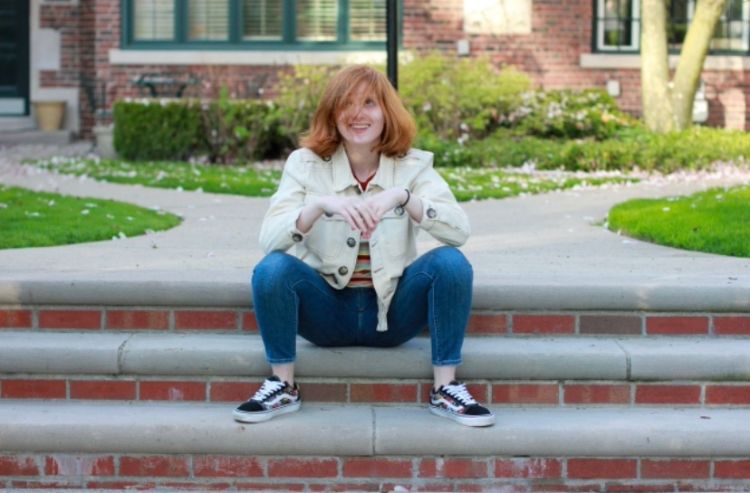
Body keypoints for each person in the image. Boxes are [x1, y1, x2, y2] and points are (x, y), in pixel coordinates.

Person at [233, 65, 494, 427]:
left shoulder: (413, 167)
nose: (358, 114)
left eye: (370, 103)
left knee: (451, 262)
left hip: (391, 315)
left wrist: (403, 198)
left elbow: (458, 230)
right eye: (347, 104)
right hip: (326, 312)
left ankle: (445, 389)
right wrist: (318, 207)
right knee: (272, 269)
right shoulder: (304, 165)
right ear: (332, 113)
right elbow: (269, 239)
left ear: (386, 113)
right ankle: (282, 385)